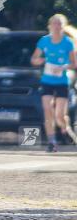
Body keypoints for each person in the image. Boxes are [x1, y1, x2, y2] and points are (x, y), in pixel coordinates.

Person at [30, 13, 77, 152]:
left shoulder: (68, 42)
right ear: (49, 26)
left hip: (62, 81)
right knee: (47, 109)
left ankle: (65, 127)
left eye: (59, 24)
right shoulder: (44, 41)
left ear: (63, 26)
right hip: (47, 80)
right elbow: (34, 59)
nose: (56, 27)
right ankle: (52, 141)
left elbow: (74, 64)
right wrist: (41, 61)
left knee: (59, 116)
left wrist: (62, 67)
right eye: (54, 24)